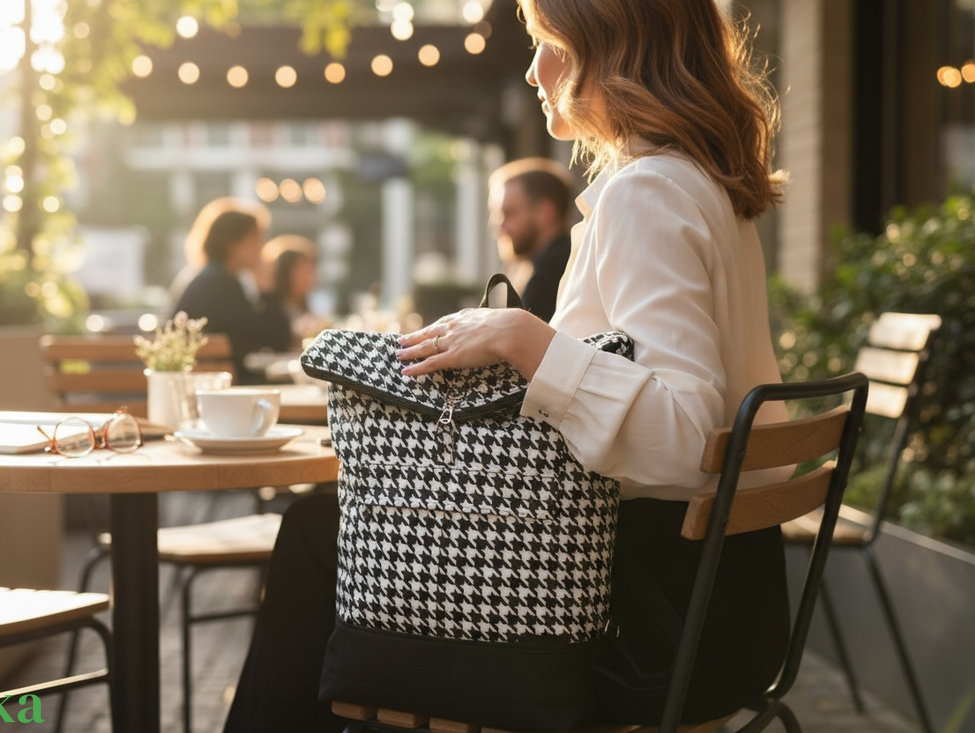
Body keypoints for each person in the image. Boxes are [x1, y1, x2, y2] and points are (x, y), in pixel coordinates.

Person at [224, 0, 789, 728]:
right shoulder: (700, 186)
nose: (532, 68)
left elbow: (684, 433)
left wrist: (523, 337)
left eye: (547, 42)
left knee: (317, 530)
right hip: (725, 605)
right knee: (327, 528)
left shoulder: (647, 193)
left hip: (646, 627)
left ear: (608, 47)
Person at [173, 202, 292, 384]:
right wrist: (267, 290)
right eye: (256, 239)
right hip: (215, 384)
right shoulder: (218, 283)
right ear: (232, 243)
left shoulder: (212, 277)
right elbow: (274, 337)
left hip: (211, 380)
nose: (261, 248)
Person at [488, 157, 576, 321]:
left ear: (544, 212)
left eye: (508, 213)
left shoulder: (551, 270)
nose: (498, 226)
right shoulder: (547, 262)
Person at [261, 234, 324, 347]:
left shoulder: (301, 307)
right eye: (303, 270)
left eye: (310, 269)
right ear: (284, 272)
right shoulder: (268, 309)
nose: (310, 277)